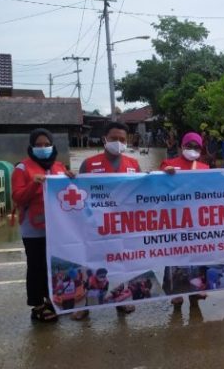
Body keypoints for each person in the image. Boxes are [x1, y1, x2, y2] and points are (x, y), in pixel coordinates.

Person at [72, 121, 141, 320]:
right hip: (95, 226)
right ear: (104, 139)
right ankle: (83, 305)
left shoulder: (133, 165)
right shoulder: (89, 164)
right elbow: (79, 193)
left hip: (122, 226)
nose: (118, 142)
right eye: (114, 139)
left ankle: (121, 300)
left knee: (120, 263)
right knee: (90, 264)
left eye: (122, 139)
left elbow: (141, 194)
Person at [12, 128, 72, 322]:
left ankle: (51, 299)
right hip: (33, 228)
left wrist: (72, 179)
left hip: (56, 227)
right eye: (38, 145)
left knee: (53, 265)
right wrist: (34, 184)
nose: (43, 148)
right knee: (36, 265)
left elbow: (68, 193)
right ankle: (37, 304)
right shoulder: (22, 168)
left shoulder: (59, 167)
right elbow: (18, 197)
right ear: (31, 146)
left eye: (46, 144)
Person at [160, 131, 210, 306]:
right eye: (189, 146)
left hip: (197, 218)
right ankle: (175, 291)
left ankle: (196, 288)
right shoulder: (169, 164)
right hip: (175, 220)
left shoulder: (205, 168)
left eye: (196, 147)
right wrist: (164, 175)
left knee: (197, 254)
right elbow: (156, 187)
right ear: (182, 146)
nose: (192, 149)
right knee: (174, 255)